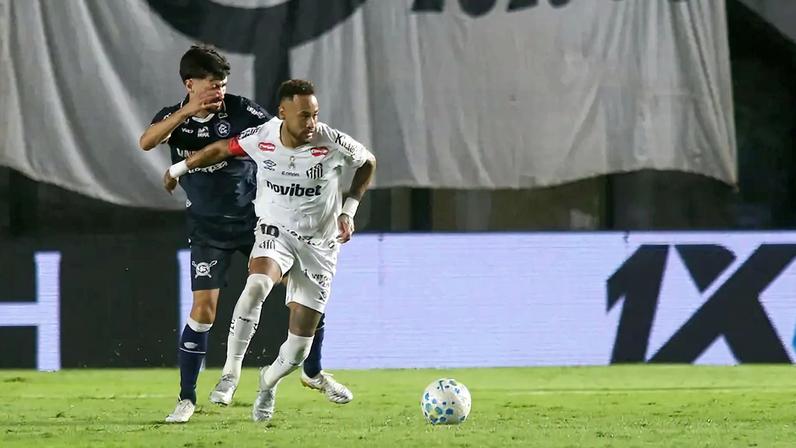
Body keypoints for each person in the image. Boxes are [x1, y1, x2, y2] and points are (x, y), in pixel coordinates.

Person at [140, 47, 351, 424]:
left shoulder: (242, 111)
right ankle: (187, 398)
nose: (219, 91)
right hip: (207, 227)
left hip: (256, 221)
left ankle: (311, 371)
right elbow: (147, 141)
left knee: (306, 290)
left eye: (223, 84)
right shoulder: (174, 119)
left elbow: (281, 136)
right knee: (203, 310)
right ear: (191, 85)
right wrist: (186, 114)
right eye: (212, 85)